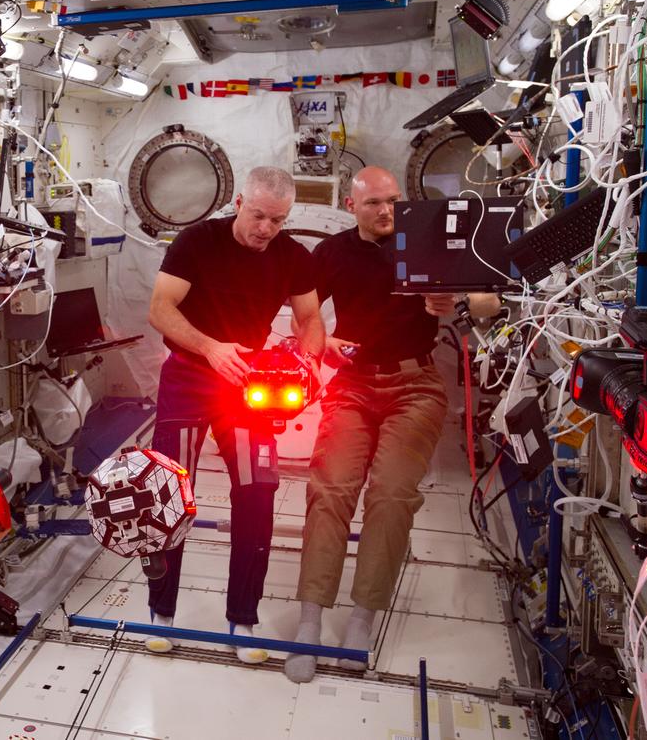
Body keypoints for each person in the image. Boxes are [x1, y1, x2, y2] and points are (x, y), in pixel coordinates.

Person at [284, 166, 499, 683]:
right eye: (375, 203)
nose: (386, 212)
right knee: (331, 487)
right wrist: (324, 342)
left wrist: (455, 300)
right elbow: (304, 316)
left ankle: (363, 614)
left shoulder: (426, 241)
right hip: (353, 385)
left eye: (394, 202)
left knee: (390, 493)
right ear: (352, 206)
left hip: (415, 386)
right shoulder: (332, 253)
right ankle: (310, 619)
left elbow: (490, 302)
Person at [146, 166, 324, 663]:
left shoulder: (293, 256)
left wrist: (307, 365)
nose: (266, 228)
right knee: (171, 492)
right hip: (188, 374)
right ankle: (160, 611)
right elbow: (161, 308)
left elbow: (310, 319)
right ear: (240, 201)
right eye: (259, 215)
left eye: (278, 220)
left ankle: (243, 616)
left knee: (257, 490)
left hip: (246, 384)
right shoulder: (196, 241)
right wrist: (209, 348)